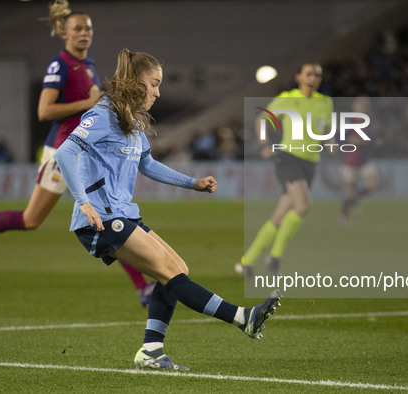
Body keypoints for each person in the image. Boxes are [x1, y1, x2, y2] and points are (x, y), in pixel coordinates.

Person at [55, 48, 282, 370]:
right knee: (170, 271)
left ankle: (151, 350)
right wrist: (83, 201)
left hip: (121, 213)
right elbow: (65, 154)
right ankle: (242, 317)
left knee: (177, 271)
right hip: (100, 218)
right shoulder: (103, 114)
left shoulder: (130, 120)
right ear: (135, 83)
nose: (158, 92)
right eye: (154, 84)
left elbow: (147, 164)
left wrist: (193, 183)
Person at [0, 0, 155, 306]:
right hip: (64, 149)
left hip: (83, 151)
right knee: (32, 219)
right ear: (65, 33)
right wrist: (87, 105)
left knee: (108, 213)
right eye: (78, 28)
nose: (84, 33)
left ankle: (144, 287)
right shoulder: (60, 64)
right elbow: (44, 110)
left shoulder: (86, 65)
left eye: (88, 27)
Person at [235, 63, 334, 278]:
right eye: (309, 74)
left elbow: (326, 128)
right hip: (288, 158)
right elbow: (263, 118)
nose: (314, 78)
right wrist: (264, 144)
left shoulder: (325, 102)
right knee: (303, 205)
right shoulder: (288, 98)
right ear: (299, 76)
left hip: (311, 162)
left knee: (280, 215)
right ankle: (275, 256)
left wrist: (332, 142)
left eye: (317, 74)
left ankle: (247, 261)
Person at [338, 96, 379, 225]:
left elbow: (371, 138)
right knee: (349, 192)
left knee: (373, 184)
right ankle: (344, 215)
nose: (363, 107)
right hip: (350, 159)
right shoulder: (348, 121)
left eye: (365, 104)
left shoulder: (369, 122)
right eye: (361, 104)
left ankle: (355, 198)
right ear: (355, 106)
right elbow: (338, 138)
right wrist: (350, 140)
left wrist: (370, 140)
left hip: (364, 158)